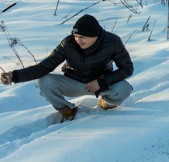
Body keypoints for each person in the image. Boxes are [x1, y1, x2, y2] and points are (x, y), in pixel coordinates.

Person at [0, 14, 133, 122]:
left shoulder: (112, 42)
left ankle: (106, 104)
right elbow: (44, 67)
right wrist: (14, 76)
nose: (78, 41)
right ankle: (67, 110)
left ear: (94, 35)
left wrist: (102, 82)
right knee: (43, 81)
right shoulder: (68, 43)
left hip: (99, 85)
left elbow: (127, 68)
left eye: (82, 37)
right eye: (76, 36)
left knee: (124, 88)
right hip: (73, 83)